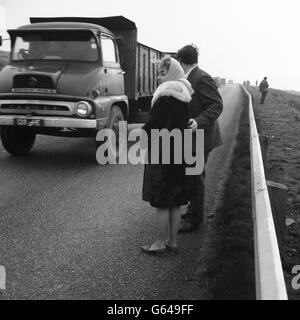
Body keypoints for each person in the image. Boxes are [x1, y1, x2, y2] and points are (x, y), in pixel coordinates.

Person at [141, 56, 196, 255]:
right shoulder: (183, 95)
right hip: (180, 153)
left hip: (163, 154)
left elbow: (154, 125)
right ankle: (172, 241)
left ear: (172, 74)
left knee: (163, 201)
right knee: (175, 202)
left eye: (162, 73)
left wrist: (139, 132)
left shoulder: (165, 97)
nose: (158, 77)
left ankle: (159, 243)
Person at [176, 45, 223, 233]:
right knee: (191, 174)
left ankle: (195, 219)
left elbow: (217, 105)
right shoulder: (189, 78)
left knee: (196, 176)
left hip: (202, 136)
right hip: (193, 136)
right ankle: (192, 211)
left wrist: (198, 121)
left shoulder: (201, 77)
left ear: (180, 60)